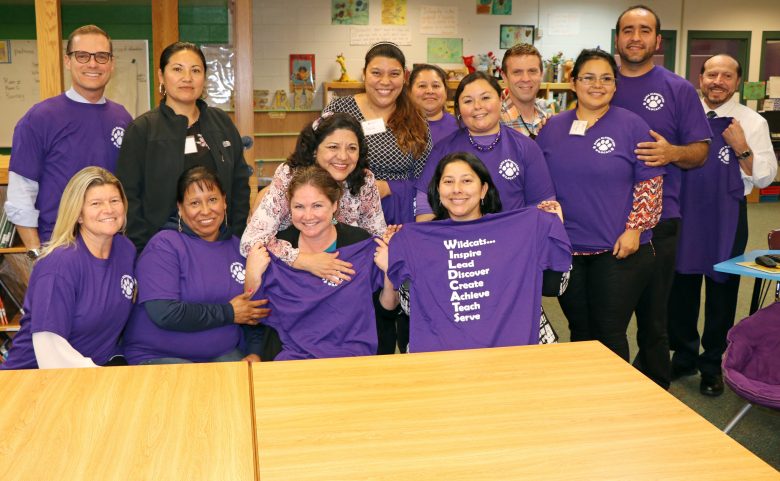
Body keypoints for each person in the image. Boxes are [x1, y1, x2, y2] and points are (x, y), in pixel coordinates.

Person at [536, 48, 664, 362]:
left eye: (606, 78)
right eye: (589, 77)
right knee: (579, 330)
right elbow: (538, 186)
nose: (598, 84)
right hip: (567, 250)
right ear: (573, 82)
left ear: (615, 85)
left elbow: (650, 183)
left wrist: (635, 229)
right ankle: (586, 400)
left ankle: (616, 405)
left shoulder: (633, 125)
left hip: (618, 250)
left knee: (609, 331)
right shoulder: (552, 128)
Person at [378, 152, 571, 353]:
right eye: (448, 181)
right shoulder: (418, 241)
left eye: (467, 180)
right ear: (438, 190)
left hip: (518, 350)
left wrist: (554, 230)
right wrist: (392, 263)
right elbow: (412, 309)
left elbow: (557, 287)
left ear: (483, 190)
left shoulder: (516, 230)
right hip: (447, 357)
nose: (457, 189)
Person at [612, 5, 712, 389]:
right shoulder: (601, 84)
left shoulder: (678, 88)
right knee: (606, 318)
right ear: (617, 38)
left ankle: (655, 392)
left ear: (657, 40)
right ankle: (605, 392)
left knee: (654, 320)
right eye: (627, 30)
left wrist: (672, 153)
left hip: (660, 221)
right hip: (603, 221)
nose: (635, 37)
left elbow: (700, 151)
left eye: (644, 30)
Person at [667, 54, 777, 396]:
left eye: (726, 75)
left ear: (737, 82)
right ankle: (683, 355)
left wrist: (741, 147)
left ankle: (712, 363)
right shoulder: (684, 116)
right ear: (700, 78)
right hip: (683, 211)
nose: (718, 80)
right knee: (680, 288)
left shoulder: (752, 122)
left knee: (721, 290)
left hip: (726, 214)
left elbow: (765, 178)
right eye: (711, 73)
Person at [6, 25, 132, 258]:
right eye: (82, 56)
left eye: (101, 56)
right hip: (59, 249)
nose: (92, 64)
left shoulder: (122, 117)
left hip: (111, 249)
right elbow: (20, 192)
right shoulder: (40, 118)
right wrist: (36, 253)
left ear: (112, 63)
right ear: (68, 61)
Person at [122, 167, 269, 365]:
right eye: (194, 203)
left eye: (213, 200)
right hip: (158, 355)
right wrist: (229, 313)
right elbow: (164, 313)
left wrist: (255, 352)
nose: (206, 210)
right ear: (180, 208)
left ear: (224, 201)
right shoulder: (164, 245)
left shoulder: (239, 248)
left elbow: (254, 309)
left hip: (222, 353)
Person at [249, 166, 397, 360]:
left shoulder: (361, 246)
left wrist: (389, 269)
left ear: (335, 205)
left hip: (353, 359)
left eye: (317, 205)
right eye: (299, 206)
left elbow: (388, 306)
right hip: (294, 361)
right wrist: (253, 273)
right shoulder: (278, 251)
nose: (308, 216)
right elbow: (254, 314)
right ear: (289, 208)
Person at [117, 41, 250, 251]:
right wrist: (144, 249)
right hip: (163, 249)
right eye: (177, 69)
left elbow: (239, 184)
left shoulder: (221, 123)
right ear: (161, 76)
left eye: (195, 70)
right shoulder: (143, 129)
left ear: (204, 77)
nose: (187, 78)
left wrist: (236, 238)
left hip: (222, 245)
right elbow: (128, 197)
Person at [1, 167, 136, 370]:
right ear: (78, 215)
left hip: (96, 367)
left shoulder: (126, 249)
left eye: (114, 201)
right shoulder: (59, 265)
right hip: (38, 377)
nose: (108, 209)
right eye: (95, 203)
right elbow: (50, 352)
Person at [240, 112, 386, 293]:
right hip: (293, 274)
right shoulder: (290, 175)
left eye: (352, 148)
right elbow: (251, 242)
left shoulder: (364, 179)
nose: (343, 156)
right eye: (333, 147)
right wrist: (306, 260)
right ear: (315, 149)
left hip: (345, 271)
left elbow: (376, 236)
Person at [415, 71, 556, 221]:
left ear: (501, 100)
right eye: (468, 101)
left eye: (485, 98)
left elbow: (544, 208)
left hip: (515, 240)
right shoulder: (443, 149)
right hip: (457, 240)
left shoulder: (526, 147)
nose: (477, 106)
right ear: (459, 108)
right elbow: (425, 209)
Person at [323, 42, 431, 225]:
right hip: (343, 213)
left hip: (396, 215)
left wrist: (389, 187)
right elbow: (319, 159)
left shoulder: (416, 118)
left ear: (404, 77)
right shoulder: (339, 109)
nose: (385, 81)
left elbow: (425, 178)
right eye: (376, 73)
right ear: (364, 74)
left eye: (394, 74)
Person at [499, 43, 552, 138]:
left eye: (532, 71)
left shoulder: (547, 119)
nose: (526, 79)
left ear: (541, 75)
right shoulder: (494, 121)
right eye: (517, 72)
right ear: (504, 77)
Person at [409, 64, 458, 145]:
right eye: (422, 86)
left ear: (446, 91)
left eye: (435, 86)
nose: (430, 91)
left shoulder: (461, 127)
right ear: (409, 92)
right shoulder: (397, 126)